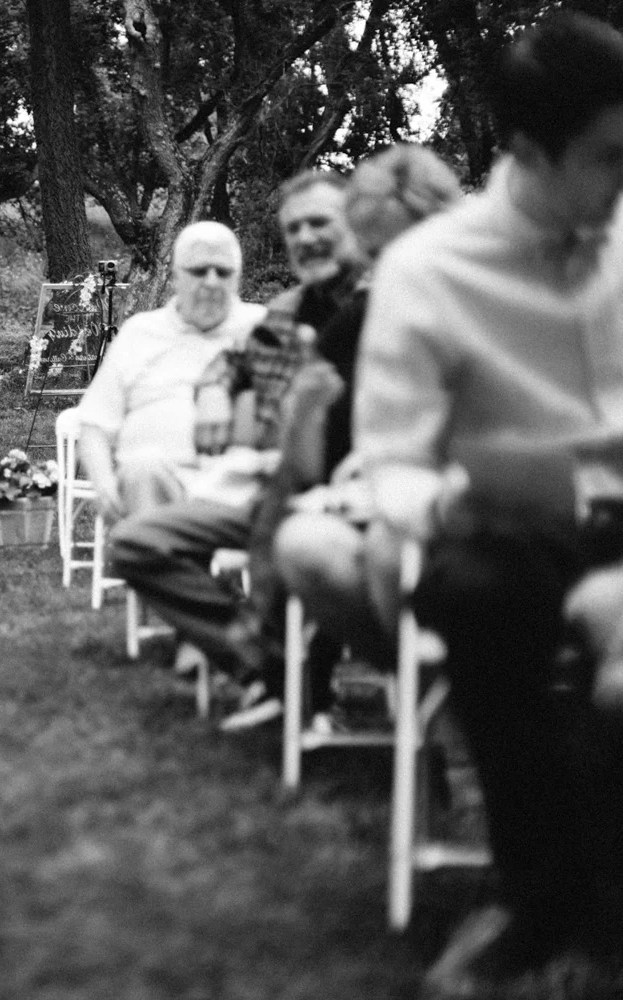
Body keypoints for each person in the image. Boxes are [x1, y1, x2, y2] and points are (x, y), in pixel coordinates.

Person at [355, 13, 623, 993]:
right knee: (472, 593)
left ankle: (573, 904)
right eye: (607, 158)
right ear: (526, 151)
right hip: (519, 530)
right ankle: (541, 892)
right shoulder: (430, 273)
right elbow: (391, 463)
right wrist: (451, 500)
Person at [106, 170, 364, 729]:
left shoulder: (386, 309)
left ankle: (292, 676)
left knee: (293, 538)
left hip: (346, 503)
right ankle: (267, 666)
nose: (305, 238)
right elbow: (234, 360)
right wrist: (215, 391)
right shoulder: (289, 310)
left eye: (320, 222)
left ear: (356, 226)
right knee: (134, 543)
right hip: (264, 491)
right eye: (294, 228)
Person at [269, 145, 464, 719]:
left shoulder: (495, 297)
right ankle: (431, 702)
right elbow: (309, 462)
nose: (389, 272)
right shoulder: (347, 317)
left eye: (402, 250)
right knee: (304, 540)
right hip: (382, 508)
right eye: (378, 255)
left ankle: (448, 721)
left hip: (492, 507)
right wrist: (305, 412)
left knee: (388, 546)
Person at [75, 221, 266, 523]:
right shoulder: (140, 332)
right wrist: (104, 484)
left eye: (223, 272)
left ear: (238, 278)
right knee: (142, 468)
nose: (212, 282)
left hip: (236, 490)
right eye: (199, 271)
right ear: (176, 275)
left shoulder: (263, 329)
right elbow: (94, 425)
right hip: (154, 486)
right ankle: (160, 557)